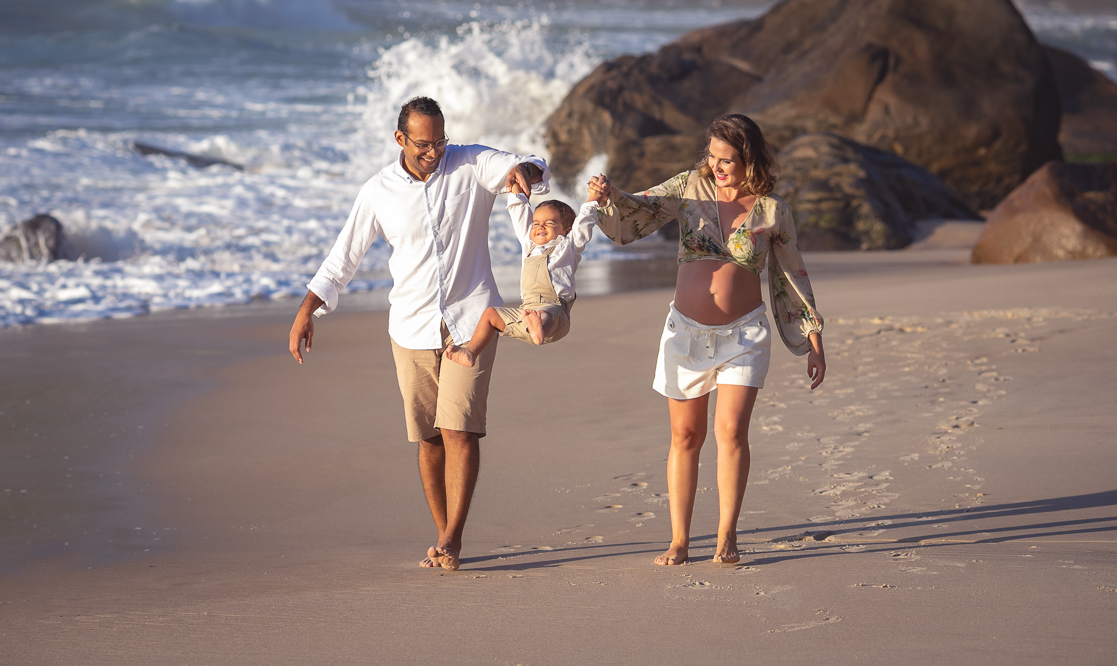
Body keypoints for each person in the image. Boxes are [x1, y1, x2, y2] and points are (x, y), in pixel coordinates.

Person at [287, 96, 548, 572]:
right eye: (423, 144)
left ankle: (452, 539)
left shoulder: (468, 162)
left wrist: (525, 172)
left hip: (473, 321)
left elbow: (520, 164)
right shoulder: (378, 191)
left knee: (459, 431)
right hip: (410, 327)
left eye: (440, 141)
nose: (434, 151)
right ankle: (442, 532)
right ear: (400, 139)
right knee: (429, 439)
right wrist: (307, 309)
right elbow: (343, 257)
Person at [588, 114, 826, 567]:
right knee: (686, 435)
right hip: (686, 332)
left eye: (727, 160)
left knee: (731, 431)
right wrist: (607, 197)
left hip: (745, 333)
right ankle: (679, 540)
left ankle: (726, 535)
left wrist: (813, 338)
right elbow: (639, 207)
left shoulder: (773, 210)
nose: (717, 167)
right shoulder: (689, 187)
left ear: (749, 158)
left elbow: (792, 275)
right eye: (712, 156)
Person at [444, 183, 602, 367]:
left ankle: (539, 328)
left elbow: (584, 224)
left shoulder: (568, 247)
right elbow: (519, 214)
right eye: (536, 223)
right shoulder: (529, 245)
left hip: (555, 311)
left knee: (543, 314)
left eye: (549, 223)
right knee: (489, 314)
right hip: (525, 313)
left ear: (566, 230)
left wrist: (593, 198)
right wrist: (516, 193)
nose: (540, 227)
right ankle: (470, 352)